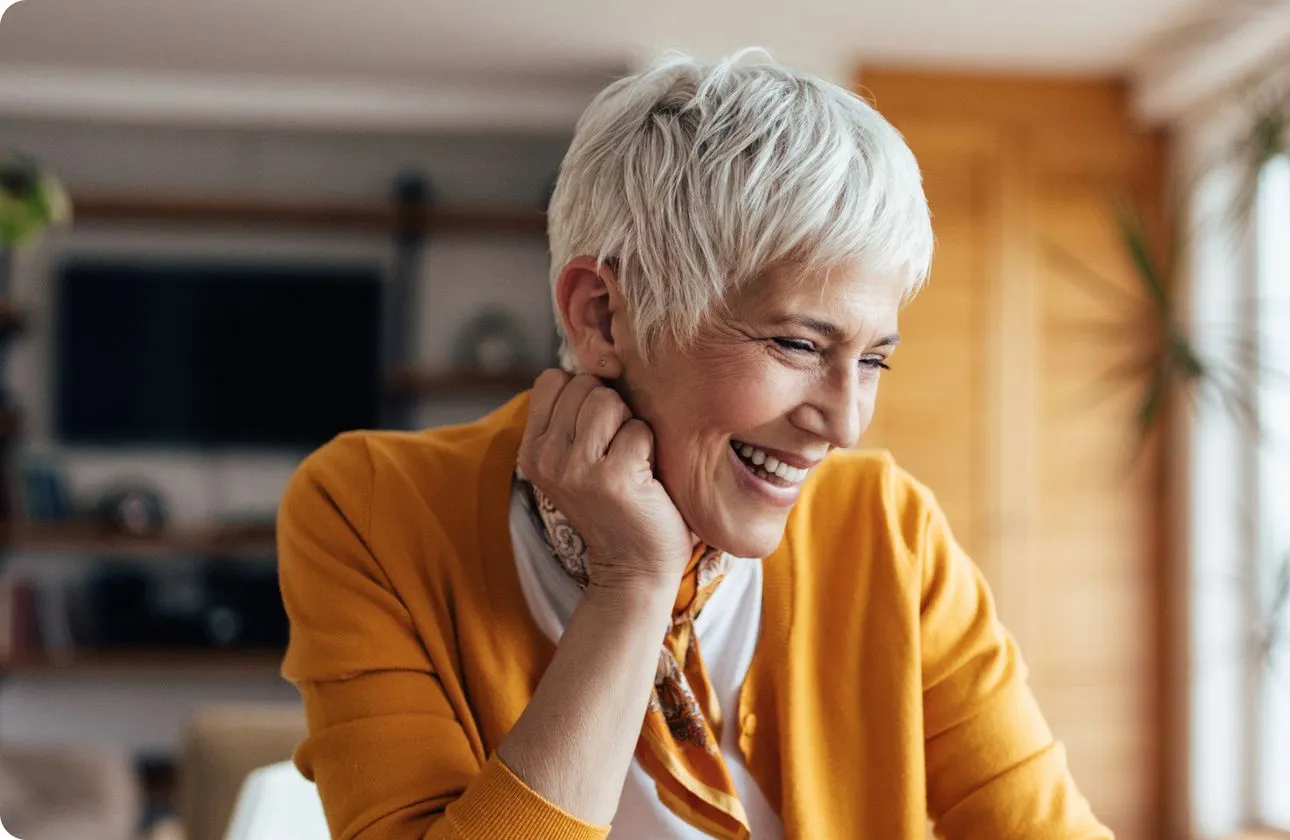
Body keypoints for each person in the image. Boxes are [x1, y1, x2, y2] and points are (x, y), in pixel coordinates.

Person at [277, 51, 1113, 840]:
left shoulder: (886, 533)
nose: (846, 422)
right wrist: (632, 584)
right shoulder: (370, 511)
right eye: (796, 345)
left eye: (874, 359)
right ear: (603, 316)